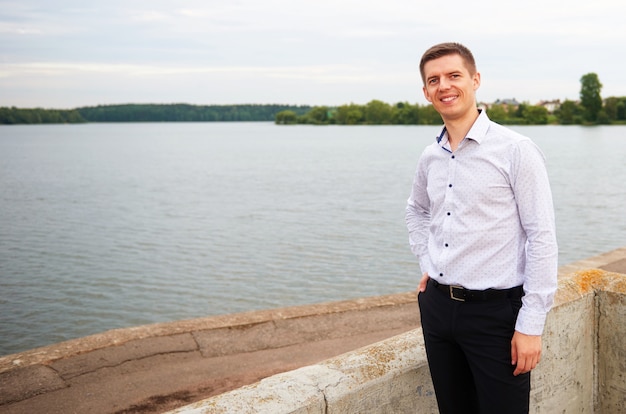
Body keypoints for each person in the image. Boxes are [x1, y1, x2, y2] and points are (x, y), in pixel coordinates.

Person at [405, 42, 558, 414]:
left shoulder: (516, 150)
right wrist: (429, 262)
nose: (445, 86)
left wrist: (531, 325)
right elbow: (416, 211)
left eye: (454, 75)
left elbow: (542, 237)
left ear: (475, 80)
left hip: (496, 315)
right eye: (434, 80)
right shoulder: (431, 156)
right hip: (438, 310)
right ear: (426, 93)